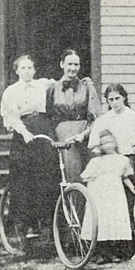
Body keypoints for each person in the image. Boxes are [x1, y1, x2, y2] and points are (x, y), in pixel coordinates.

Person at [0, 55, 61, 240]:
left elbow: (60, 81)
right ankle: (25, 224)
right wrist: (23, 131)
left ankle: (50, 223)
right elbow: (10, 116)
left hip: (42, 127)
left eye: (30, 68)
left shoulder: (43, 84)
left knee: (48, 173)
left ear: (34, 70)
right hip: (23, 132)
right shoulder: (11, 91)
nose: (26, 71)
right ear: (17, 70)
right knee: (24, 178)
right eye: (23, 68)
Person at [88, 83, 135, 259]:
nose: (114, 103)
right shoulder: (103, 120)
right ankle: (109, 247)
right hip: (109, 167)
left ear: (124, 98)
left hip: (128, 163)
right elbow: (97, 148)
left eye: (117, 98)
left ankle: (131, 247)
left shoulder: (133, 118)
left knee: (131, 205)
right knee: (111, 207)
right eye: (111, 100)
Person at [81, 129, 135, 264]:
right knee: (101, 221)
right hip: (100, 194)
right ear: (100, 146)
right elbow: (85, 176)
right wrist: (93, 176)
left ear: (115, 142)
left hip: (115, 194)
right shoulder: (96, 161)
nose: (107, 145)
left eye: (109, 142)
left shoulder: (122, 160)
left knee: (114, 221)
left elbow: (125, 177)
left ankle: (113, 253)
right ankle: (101, 253)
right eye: (103, 143)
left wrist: (134, 191)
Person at [46, 49, 101, 182]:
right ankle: (70, 203)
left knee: (89, 175)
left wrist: (85, 134)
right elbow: (48, 117)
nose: (73, 68)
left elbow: (96, 117)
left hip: (84, 135)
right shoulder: (52, 89)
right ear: (61, 64)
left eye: (76, 65)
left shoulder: (87, 87)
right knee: (70, 174)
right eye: (69, 64)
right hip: (62, 137)